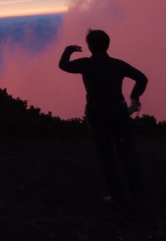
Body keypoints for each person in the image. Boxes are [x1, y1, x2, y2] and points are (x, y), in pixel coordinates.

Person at [59, 29, 148, 208]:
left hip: (97, 115)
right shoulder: (117, 65)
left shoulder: (86, 64)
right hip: (118, 114)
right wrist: (134, 97)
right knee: (127, 154)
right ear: (108, 44)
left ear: (89, 47)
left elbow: (64, 65)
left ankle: (118, 197)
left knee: (106, 155)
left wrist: (68, 50)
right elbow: (142, 78)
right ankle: (139, 197)